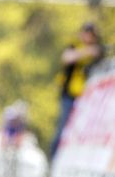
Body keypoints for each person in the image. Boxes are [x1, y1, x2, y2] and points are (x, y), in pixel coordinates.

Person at [49, 21, 104, 159]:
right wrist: (87, 52)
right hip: (69, 96)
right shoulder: (75, 47)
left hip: (91, 99)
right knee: (63, 128)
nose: (88, 38)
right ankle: (54, 158)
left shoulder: (98, 51)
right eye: (86, 34)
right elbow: (67, 57)